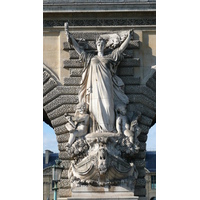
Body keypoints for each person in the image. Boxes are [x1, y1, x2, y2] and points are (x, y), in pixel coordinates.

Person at [65, 22, 132, 132]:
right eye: (98, 44)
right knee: (94, 108)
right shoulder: (90, 58)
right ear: (96, 45)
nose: (100, 45)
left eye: (101, 43)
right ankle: (96, 130)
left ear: (104, 45)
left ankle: (110, 130)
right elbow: (79, 50)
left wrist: (128, 38)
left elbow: (120, 50)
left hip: (107, 85)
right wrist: (71, 39)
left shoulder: (109, 57)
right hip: (94, 87)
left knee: (108, 106)